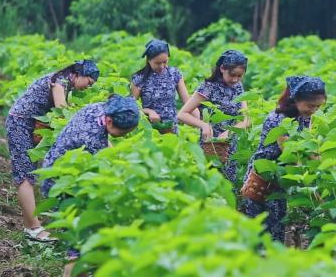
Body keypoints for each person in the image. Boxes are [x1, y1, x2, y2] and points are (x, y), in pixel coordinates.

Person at [39, 94, 140, 277]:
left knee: (82, 243)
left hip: (63, 172)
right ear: (110, 121)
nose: (125, 136)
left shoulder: (98, 109)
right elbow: (101, 173)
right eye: (123, 132)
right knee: (77, 243)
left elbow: (105, 142)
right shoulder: (91, 138)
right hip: (62, 184)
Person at [5, 60, 99, 242]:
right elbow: (62, 111)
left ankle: (30, 226)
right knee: (25, 175)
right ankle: (34, 228)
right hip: (20, 123)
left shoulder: (66, 81)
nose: (88, 87)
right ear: (80, 74)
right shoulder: (61, 82)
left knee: (28, 173)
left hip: (26, 122)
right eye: (89, 82)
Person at [241, 76, 326, 243]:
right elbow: (290, 153)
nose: (313, 110)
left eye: (318, 107)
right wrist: (311, 185)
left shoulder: (305, 117)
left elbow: (306, 146)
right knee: (258, 227)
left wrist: (320, 163)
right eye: (310, 105)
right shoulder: (279, 119)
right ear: (296, 99)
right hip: (263, 175)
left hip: (280, 177)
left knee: (277, 226)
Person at [177, 50, 250, 182]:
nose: (235, 79)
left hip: (230, 147)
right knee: (209, 183)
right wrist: (203, 125)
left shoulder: (238, 87)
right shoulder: (208, 87)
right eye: (232, 75)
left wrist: (229, 132)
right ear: (222, 68)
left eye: (240, 76)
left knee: (228, 187)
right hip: (210, 145)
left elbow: (246, 119)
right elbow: (182, 114)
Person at [130, 39, 198, 133]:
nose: (162, 66)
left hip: (172, 128)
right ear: (149, 60)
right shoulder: (139, 79)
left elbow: (187, 100)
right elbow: (132, 106)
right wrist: (148, 112)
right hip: (149, 129)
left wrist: (199, 121)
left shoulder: (174, 74)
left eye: (165, 62)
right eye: (157, 63)